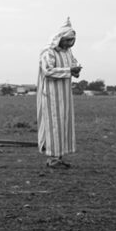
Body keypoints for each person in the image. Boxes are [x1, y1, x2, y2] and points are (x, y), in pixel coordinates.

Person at [36, 18, 83, 169]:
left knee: (64, 125)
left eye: (72, 41)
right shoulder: (48, 52)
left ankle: (59, 156)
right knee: (53, 125)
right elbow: (48, 71)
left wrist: (76, 70)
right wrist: (69, 70)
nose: (69, 44)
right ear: (60, 38)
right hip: (51, 95)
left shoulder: (68, 52)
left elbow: (73, 64)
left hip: (65, 95)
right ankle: (52, 158)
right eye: (67, 40)